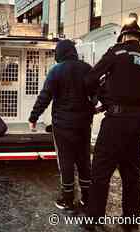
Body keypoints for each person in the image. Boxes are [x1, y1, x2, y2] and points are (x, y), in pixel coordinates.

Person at [84, 20, 140, 232]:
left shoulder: (117, 52)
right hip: (139, 123)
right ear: (138, 38)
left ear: (123, 37)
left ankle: (93, 220)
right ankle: (130, 223)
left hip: (116, 122)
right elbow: (130, 88)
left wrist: (100, 95)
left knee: (101, 171)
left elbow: (90, 78)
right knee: (132, 174)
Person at [29, 40, 93, 212]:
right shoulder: (87, 69)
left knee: (65, 160)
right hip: (83, 125)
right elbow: (96, 93)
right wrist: (91, 109)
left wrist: (34, 116)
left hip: (63, 126)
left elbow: (45, 96)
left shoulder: (56, 71)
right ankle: (87, 198)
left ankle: (67, 199)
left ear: (60, 53)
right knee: (84, 159)